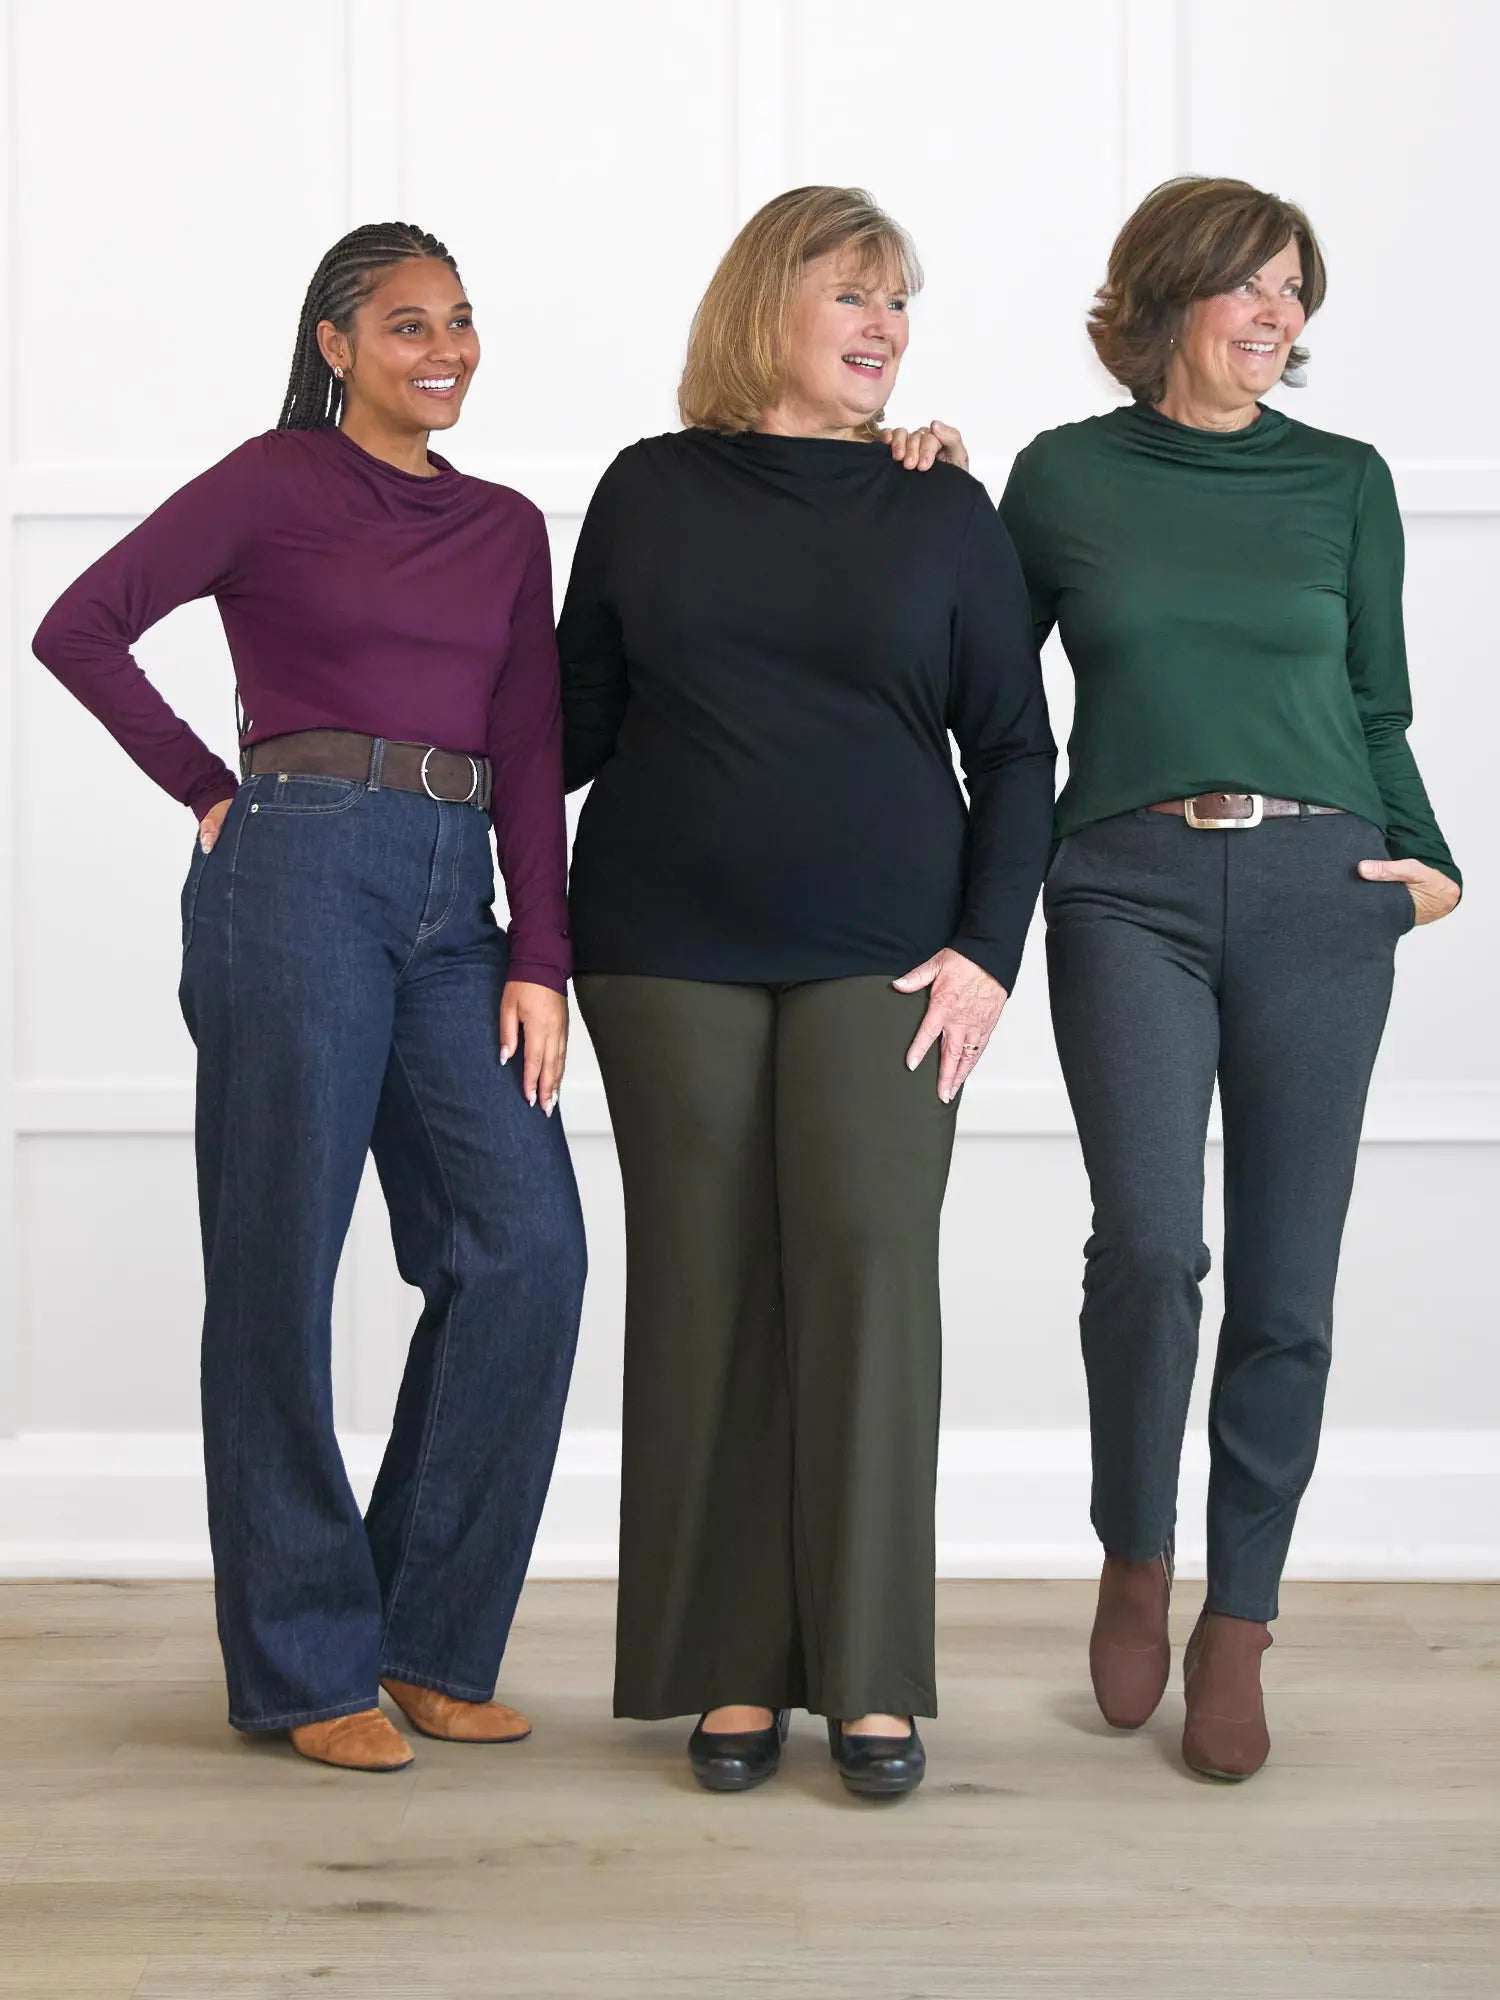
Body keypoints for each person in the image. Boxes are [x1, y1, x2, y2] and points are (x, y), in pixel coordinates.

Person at [32, 223, 587, 1773]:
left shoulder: (503, 527)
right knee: (280, 1266)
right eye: (408, 323)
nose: (447, 349)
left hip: (456, 896)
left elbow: (533, 752)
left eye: (464, 322)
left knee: (528, 1249)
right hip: (297, 878)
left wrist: (540, 956)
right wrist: (214, 791)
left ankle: (421, 1639)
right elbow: (77, 623)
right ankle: (302, 1664)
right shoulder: (274, 483)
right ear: (335, 344)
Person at [559, 186, 1055, 1797]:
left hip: (891, 953)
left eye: (901, 302)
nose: (887, 327)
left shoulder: (944, 509)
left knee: (863, 1280)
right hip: (661, 944)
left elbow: (1018, 754)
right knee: (702, 1290)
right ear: (770, 305)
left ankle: (867, 1677)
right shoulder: (645, 490)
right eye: (856, 294)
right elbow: (569, 723)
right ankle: (727, 1669)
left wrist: (990, 950)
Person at [996, 176, 1461, 1779]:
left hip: (1323, 887)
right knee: (1147, 1246)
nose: (1279, 317)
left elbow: (1379, 699)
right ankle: (1138, 1546)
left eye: (1296, 293)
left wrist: (1430, 857)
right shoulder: (1062, 478)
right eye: (1250, 286)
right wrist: (903, 482)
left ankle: (1239, 1617)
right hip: (1124, 885)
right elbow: (982, 696)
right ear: (1167, 297)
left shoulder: (1345, 482)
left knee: (1287, 1283)